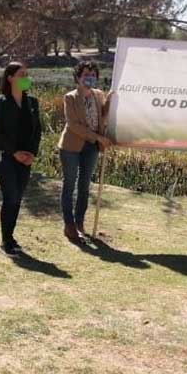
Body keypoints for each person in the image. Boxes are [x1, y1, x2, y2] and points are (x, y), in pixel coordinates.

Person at [0, 62, 42, 256]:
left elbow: (38, 131)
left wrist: (32, 154)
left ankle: (10, 237)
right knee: (10, 196)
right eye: (22, 75)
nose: (26, 78)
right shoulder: (0, 102)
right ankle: (6, 240)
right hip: (6, 156)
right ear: (10, 77)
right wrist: (14, 153)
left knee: (17, 198)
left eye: (27, 74)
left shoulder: (32, 102)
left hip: (26, 158)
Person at [58, 60, 111, 243]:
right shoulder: (70, 98)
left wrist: (111, 102)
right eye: (86, 75)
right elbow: (73, 125)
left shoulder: (99, 95)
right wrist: (98, 138)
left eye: (93, 75)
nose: (90, 78)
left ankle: (79, 222)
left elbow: (103, 117)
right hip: (71, 147)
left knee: (84, 185)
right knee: (69, 184)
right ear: (78, 78)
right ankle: (69, 224)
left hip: (91, 147)